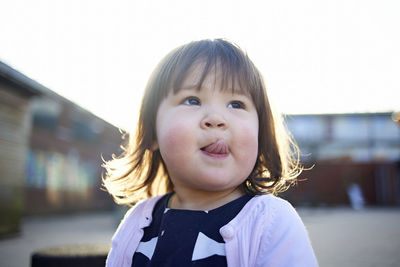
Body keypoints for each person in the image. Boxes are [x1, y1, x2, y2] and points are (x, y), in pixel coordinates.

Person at [103, 39, 318, 267]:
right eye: (192, 100)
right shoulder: (137, 223)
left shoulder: (271, 221)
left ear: (260, 132)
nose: (216, 119)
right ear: (152, 133)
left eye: (236, 104)